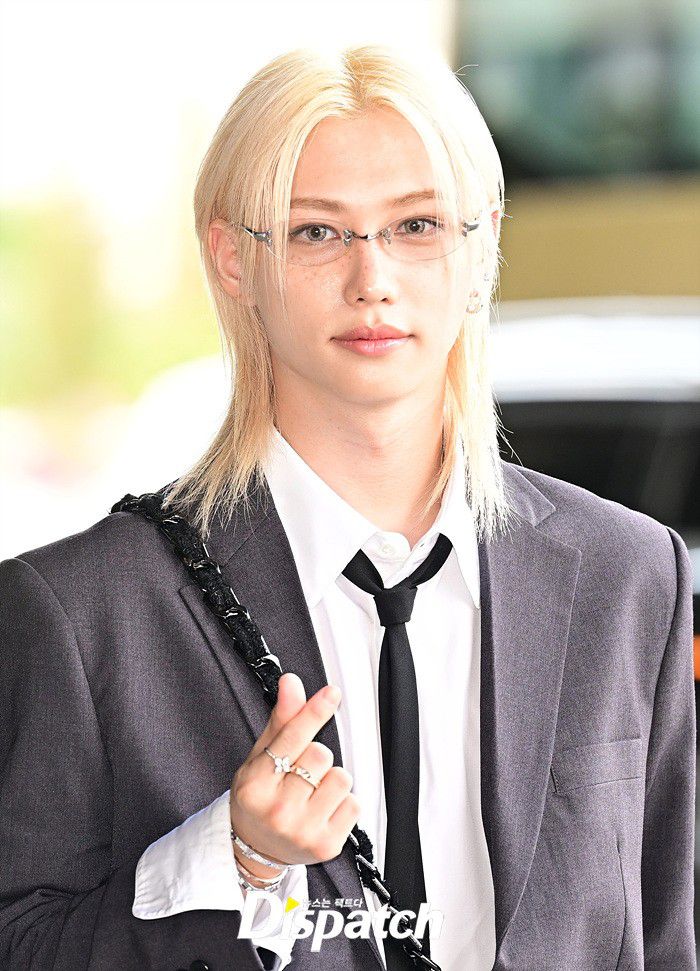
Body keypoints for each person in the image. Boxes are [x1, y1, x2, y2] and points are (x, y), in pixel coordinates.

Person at [0, 43, 695, 971]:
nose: (373, 278)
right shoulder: (79, 612)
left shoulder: (629, 575)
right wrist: (233, 859)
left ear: (479, 247)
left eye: (416, 224)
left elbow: (666, 936)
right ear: (232, 259)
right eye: (317, 232)